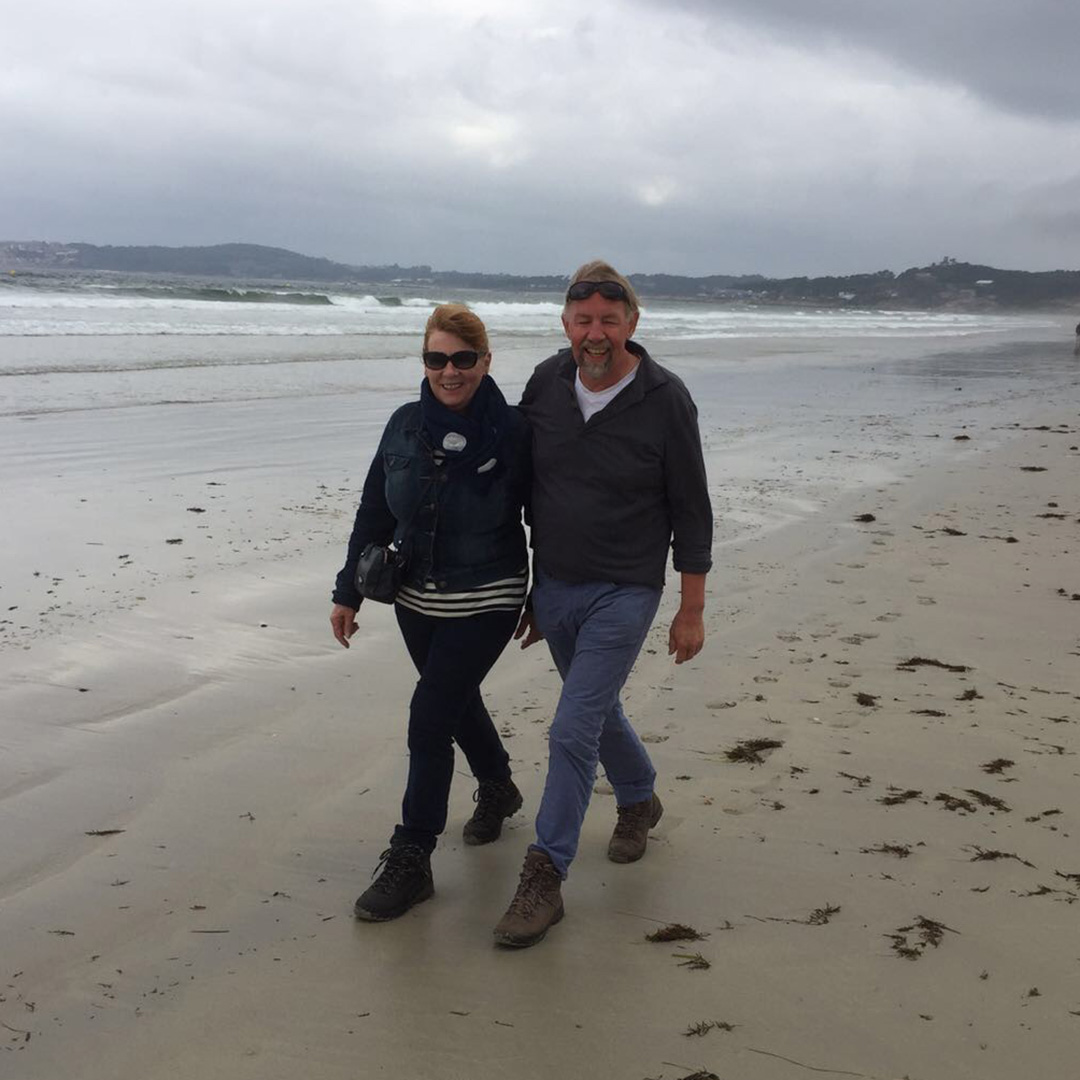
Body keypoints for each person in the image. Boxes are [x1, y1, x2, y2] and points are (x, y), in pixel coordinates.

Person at [493, 260, 713, 948]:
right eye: (583, 321)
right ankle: (640, 796)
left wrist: (691, 606)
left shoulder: (666, 398)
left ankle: (545, 875)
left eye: (609, 322)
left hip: (627, 586)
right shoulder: (545, 382)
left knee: (570, 727)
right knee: (597, 711)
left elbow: (692, 508)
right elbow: (521, 484)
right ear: (566, 325)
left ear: (632, 325)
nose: (596, 334)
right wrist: (523, 587)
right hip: (555, 584)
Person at [331, 303, 530, 922]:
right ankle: (497, 785)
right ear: (425, 360)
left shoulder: (517, 431)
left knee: (429, 712)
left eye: (463, 359)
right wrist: (348, 590)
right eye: (437, 358)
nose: (450, 371)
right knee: (454, 699)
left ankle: (411, 854)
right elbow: (374, 511)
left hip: (490, 593)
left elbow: (545, 515)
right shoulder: (402, 424)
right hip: (415, 596)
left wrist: (547, 592)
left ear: (485, 362)